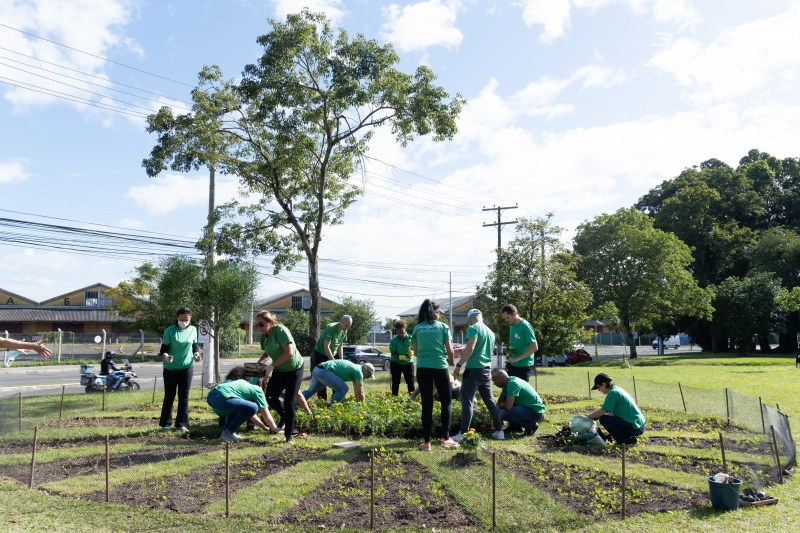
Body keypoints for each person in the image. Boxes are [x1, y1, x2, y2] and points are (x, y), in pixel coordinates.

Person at [412, 299, 459, 451]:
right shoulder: (443, 327)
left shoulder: (418, 328)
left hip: (423, 368)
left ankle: (427, 442)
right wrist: (451, 361)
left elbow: (416, 351)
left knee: (427, 404)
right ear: (436, 313)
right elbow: (450, 350)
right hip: (439, 367)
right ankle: (445, 438)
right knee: (446, 401)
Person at [451, 309, 505, 442]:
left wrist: (459, 365)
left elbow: (470, 348)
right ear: (482, 317)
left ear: (470, 320)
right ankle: (499, 431)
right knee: (490, 401)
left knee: (467, 400)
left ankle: (463, 433)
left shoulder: (473, 328)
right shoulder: (490, 332)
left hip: (473, 370)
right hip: (486, 370)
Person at [255, 311, 305, 444]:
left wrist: (271, 366)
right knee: (270, 397)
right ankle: (285, 417)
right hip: (279, 369)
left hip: (294, 369)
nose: (259, 327)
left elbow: (289, 353)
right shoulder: (264, 336)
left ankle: (289, 434)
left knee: (289, 401)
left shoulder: (281, 330)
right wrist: (260, 363)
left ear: (270, 322)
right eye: (257, 325)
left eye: (261, 324)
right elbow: (268, 351)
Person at [208, 366, 282, 441]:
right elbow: (266, 415)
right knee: (254, 407)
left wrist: (264, 427)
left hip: (211, 396)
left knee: (238, 409)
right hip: (222, 397)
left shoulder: (241, 383)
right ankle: (229, 433)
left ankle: (226, 433)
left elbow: (251, 414)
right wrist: (275, 428)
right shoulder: (257, 390)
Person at [158, 307, 201, 434]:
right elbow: (163, 351)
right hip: (170, 368)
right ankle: (165, 424)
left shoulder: (193, 329)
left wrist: (197, 354)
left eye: (186, 319)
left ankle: (182, 424)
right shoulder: (170, 331)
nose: (184, 322)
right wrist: (166, 357)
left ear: (190, 318)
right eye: (181, 319)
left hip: (187, 367)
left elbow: (194, 345)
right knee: (169, 395)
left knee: (184, 396)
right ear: (177, 318)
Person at [587, 373, 646, 445]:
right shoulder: (617, 389)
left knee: (603, 419)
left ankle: (628, 441)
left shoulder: (613, 393)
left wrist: (587, 417)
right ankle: (626, 438)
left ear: (604, 385)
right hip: (640, 425)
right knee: (606, 417)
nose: (599, 390)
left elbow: (602, 412)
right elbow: (612, 413)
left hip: (635, 427)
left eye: (598, 387)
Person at [491, 367, 546, 436]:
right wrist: (497, 417)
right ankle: (515, 427)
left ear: (499, 378)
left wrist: (501, 407)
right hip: (527, 408)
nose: (494, 384)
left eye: (494, 381)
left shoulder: (513, 383)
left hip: (535, 411)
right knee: (505, 397)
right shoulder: (507, 382)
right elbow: (500, 400)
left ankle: (531, 426)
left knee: (504, 413)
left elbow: (508, 406)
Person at [311, 316, 353, 401]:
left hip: (333, 352)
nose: (347, 328)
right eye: (346, 326)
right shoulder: (331, 328)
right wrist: (333, 361)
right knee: (321, 376)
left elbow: (340, 346)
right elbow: (326, 346)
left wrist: (341, 361)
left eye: (349, 326)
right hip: (321, 353)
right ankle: (322, 400)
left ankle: (335, 400)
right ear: (341, 321)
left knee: (337, 375)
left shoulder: (344, 330)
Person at [302, 360, 374, 403]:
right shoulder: (358, 372)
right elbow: (360, 392)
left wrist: (359, 402)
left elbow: (357, 391)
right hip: (324, 371)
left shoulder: (356, 369)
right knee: (343, 389)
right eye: (369, 376)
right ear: (366, 371)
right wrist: (363, 405)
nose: (367, 378)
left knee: (312, 390)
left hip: (318, 369)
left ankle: (295, 404)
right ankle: (332, 407)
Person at [501, 304, 538, 383]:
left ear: (514, 313)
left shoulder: (525, 326)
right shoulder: (512, 325)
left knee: (520, 392)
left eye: (507, 318)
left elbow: (534, 347)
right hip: (513, 364)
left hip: (523, 365)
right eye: (504, 318)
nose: (506, 320)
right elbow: (513, 344)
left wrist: (517, 358)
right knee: (509, 389)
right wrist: (510, 354)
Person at [389, 319, 415, 395]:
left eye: (402, 333)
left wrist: (412, 352)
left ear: (405, 330)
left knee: (410, 381)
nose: (401, 335)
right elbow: (393, 353)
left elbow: (415, 348)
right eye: (399, 333)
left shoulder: (411, 338)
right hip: (396, 363)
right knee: (396, 381)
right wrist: (401, 357)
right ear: (397, 331)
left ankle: (412, 397)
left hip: (408, 363)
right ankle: (394, 396)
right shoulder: (393, 340)